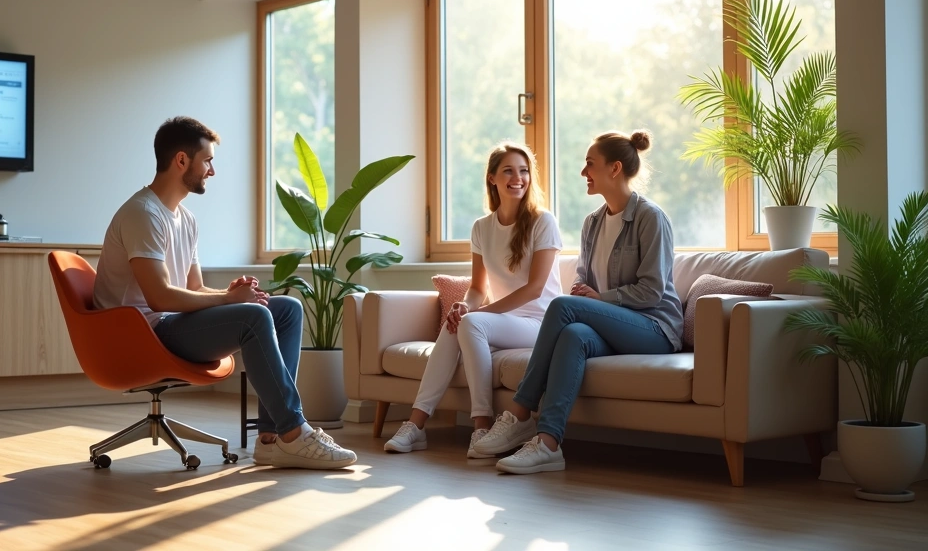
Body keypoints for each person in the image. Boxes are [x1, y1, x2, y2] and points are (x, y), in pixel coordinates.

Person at [93, 116, 357, 470]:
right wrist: (230, 301)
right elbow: (159, 298)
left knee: (285, 309)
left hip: (170, 324)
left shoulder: (185, 219)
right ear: (182, 161)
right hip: (143, 335)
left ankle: (271, 440)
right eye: (208, 160)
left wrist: (232, 293)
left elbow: (194, 289)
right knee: (254, 316)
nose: (212, 171)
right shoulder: (143, 214)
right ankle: (294, 432)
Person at [472, 129, 683, 475]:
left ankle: (520, 412)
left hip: (654, 328)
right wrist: (586, 292)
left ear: (614, 169)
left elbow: (652, 291)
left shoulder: (650, 217)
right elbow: (582, 278)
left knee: (560, 306)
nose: (583, 172)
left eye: (590, 164)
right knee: (573, 336)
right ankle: (548, 444)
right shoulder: (592, 223)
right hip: (614, 326)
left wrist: (600, 299)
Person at [384, 142, 563, 459]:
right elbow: (478, 288)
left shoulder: (542, 221)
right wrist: (466, 305)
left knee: (470, 324)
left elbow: (535, 289)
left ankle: (481, 424)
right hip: (506, 324)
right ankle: (417, 424)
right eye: (508, 170)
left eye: (523, 171)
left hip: (541, 325)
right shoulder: (482, 228)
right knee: (459, 323)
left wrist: (476, 315)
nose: (517, 178)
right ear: (492, 178)